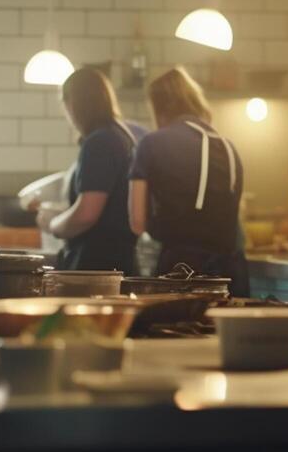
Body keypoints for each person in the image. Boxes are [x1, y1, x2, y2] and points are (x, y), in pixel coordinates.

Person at [128, 67, 249, 295]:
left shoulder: (151, 144)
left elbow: (137, 221)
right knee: (227, 331)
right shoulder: (227, 146)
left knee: (180, 331)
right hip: (230, 275)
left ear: (158, 106)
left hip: (180, 272)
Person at [35, 68, 146, 274]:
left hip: (97, 267)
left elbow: (87, 214)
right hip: (121, 262)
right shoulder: (122, 135)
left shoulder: (100, 142)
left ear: (72, 104)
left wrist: (54, 224)